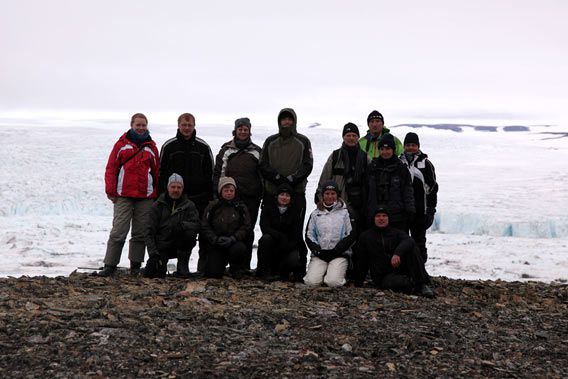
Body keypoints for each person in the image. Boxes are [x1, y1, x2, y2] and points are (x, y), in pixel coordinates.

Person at [99, 113, 159, 277]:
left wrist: (156, 193)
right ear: (132, 125)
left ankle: (135, 265)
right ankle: (110, 265)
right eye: (138, 125)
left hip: (145, 196)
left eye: (143, 125)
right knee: (119, 231)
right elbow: (111, 168)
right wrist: (111, 191)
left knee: (140, 233)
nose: (140, 128)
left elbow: (156, 172)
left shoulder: (151, 147)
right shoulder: (121, 145)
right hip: (123, 195)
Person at [260, 108, 313, 280]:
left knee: (295, 231)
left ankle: (296, 268)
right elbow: (263, 164)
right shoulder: (270, 141)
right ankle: (267, 268)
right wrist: (277, 178)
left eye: (290, 119)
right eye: (284, 119)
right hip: (272, 192)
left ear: (294, 121)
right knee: (269, 232)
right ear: (279, 121)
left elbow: (307, 165)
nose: (287, 122)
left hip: (296, 193)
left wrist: (292, 179)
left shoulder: (303, 141)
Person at [158, 113, 214, 272]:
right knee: (173, 229)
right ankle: (169, 263)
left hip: (200, 199)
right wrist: (162, 196)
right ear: (178, 126)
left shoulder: (204, 147)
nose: (187, 128)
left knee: (202, 232)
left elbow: (210, 174)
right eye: (184, 125)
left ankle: (202, 268)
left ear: (194, 126)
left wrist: (210, 198)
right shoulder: (169, 146)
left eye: (189, 125)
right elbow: (161, 174)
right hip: (175, 197)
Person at [213, 117, 262, 270]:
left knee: (247, 230)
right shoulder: (226, 150)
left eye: (245, 129)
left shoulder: (257, 151)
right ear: (235, 131)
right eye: (240, 129)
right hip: (229, 198)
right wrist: (218, 193)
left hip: (251, 199)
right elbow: (218, 173)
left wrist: (261, 194)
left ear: (249, 131)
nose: (242, 132)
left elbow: (262, 175)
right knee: (229, 228)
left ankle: (244, 266)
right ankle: (225, 263)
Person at [356, 207, 434, 298]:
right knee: (398, 283)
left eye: (384, 216)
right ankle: (416, 284)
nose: (381, 218)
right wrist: (358, 282)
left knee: (412, 248)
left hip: (399, 268)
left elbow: (409, 241)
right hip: (383, 275)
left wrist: (397, 253)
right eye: (378, 216)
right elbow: (362, 260)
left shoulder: (396, 233)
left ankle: (422, 284)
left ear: (388, 218)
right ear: (373, 218)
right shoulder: (366, 236)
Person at [143, 174, 200, 278]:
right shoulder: (157, 205)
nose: (176, 190)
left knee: (189, 234)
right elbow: (148, 231)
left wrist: (182, 226)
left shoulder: (189, 205)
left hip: (180, 244)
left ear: (182, 189)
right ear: (168, 187)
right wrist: (153, 253)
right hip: (162, 245)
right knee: (153, 274)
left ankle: (182, 267)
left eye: (179, 187)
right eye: (173, 187)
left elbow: (196, 224)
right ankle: (158, 263)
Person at [304, 181, 356, 287]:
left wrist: (338, 250)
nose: (330, 196)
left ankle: (340, 274)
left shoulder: (346, 212)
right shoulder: (315, 213)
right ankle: (322, 272)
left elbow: (351, 234)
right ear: (323, 195)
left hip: (339, 254)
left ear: (337, 195)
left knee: (333, 282)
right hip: (320, 254)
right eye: (327, 193)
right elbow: (309, 234)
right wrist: (316, 249)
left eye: (333, 193)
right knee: (311, 282)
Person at [200, 177, 251, 279]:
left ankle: (236, 268)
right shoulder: (213, 206)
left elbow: (246, 226)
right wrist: (215, 239)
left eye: (231, 190)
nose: (229, 193)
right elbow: (204, 226)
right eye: (226, 190)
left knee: (240, 249)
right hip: (217, 242)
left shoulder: (241, 207)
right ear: (220, 191)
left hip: (234, 242)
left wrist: (234, 238)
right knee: (214, 274)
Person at [399, 132, 438, 262]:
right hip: (403, 211)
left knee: (419, 243)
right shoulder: (399, 162)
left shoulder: (426, 164)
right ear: (404, 146)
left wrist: (431, 210)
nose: (410, 148)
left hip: (420, 212)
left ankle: (420, 271)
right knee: (402, 242)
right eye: (408, 145)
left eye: (413, 145)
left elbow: (432, 188)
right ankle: (404, 271)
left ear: (418, 146)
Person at [367, 133, 415, 231]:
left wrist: (410, 210)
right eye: (382, 149)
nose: (385, 152)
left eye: (388, 149)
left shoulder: (401, 168)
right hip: (376, 216)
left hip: (397, 216)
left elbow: (407, 191)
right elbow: (366, 190)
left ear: (393, 150)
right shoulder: (372, 167)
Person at [256, 184, 302, 281]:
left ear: (290, 198)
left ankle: (282, 273)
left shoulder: (295, 212)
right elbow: (264, 227)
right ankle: (263, 272)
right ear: (277, 196)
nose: (284, 197)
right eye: (282, 194)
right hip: (272, 241)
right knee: (265, 239)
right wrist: (278, 236)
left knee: (293, 258)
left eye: (287, 195)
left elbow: (297, 234)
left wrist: (287, 244)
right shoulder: (268, 207)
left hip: (287, 245)